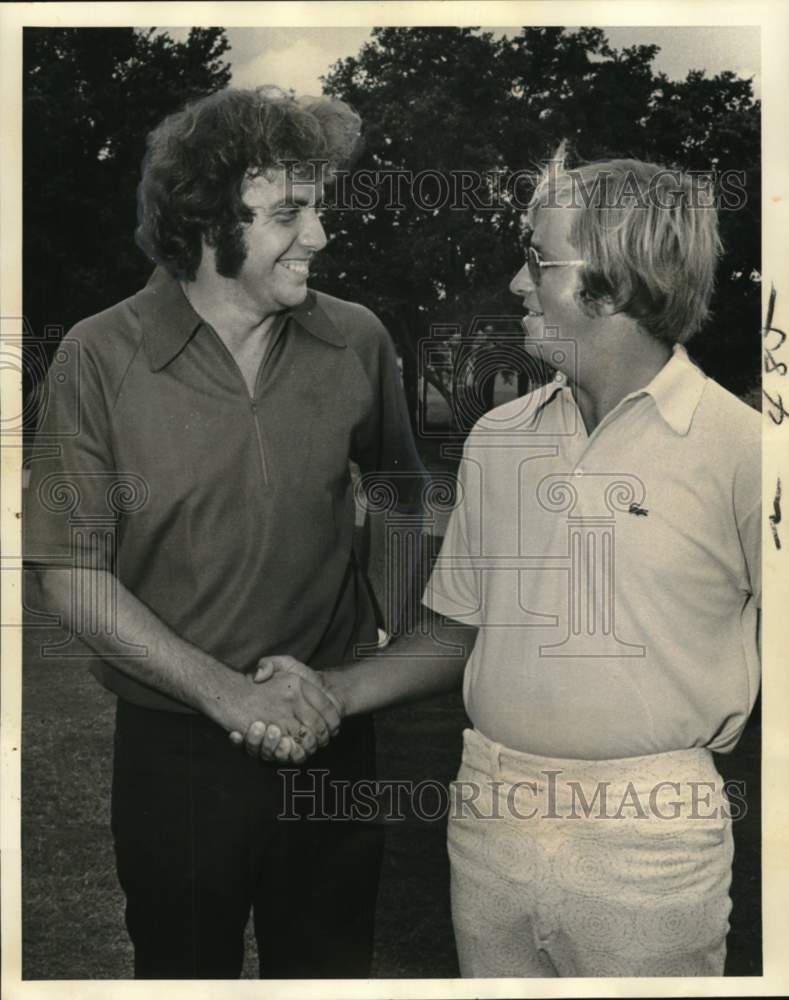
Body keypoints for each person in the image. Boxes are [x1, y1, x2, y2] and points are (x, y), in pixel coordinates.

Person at [245, 153, 761, 977]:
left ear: (615, 279)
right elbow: (458, 629)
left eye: (536, 260)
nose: (516, 284)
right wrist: (332, 690)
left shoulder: (746, 452)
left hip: (650, 833)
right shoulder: (500, 436)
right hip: (489, 808)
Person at [25, 86, 426, 979]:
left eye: (316, 207)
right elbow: (67, 568)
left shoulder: (355, 338)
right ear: (206, 221)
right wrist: (225, 694)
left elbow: (398, 488)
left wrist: (379, 649)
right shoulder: (97, 354)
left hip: (332, 737)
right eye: (288, 212)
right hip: (178, 756)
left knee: (328, 978)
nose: (317, 236)